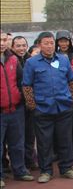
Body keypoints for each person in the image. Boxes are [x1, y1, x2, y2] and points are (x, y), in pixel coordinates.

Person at [22, 32, 73, 183]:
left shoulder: (63, 59)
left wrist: (72, 99)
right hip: (42, 109)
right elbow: (27, 86)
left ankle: (67, 168)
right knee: (44, 142)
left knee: (65, 139)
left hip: (63, 106)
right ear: (39, 44)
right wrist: (33, 106)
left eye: (51, 43)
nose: (49, 46)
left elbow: (72, 81)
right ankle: (46, 171)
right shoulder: (31, 62)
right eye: (46, 43)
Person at [1, 31, 34, 189]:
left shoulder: (13, 59)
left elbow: (22, 82)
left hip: (15, 109)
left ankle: (20, 171)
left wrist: (21, 99)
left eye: (4, 39)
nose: (2, 43)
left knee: (17, 144)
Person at [12, 36, 38, 170]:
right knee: (18, 136)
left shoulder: (31, 60)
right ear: (12, 47)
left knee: (30, 134)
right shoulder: (11, 61)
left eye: (23, 45)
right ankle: (19, 163)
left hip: (31, 103)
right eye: (18, 46)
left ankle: (30, 160)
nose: (21, 48)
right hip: (18, 103)